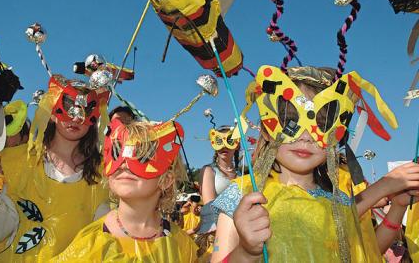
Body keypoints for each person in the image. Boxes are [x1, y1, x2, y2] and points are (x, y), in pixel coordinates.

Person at [210, 65, 418, 262]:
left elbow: (368, 250)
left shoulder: (338, 205)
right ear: (265, 128)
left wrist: (397, 204)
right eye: (289, 119)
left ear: (338, 135)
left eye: (322, 123)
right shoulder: (243, 195)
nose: (306, 136)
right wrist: (246, 253)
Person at [0, 75, 110, 262]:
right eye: (68, 105)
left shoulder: (102, 173)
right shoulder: (24, 159)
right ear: (53, 109)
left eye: (86, 110)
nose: (75, 117)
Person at [52, 119, 198, 262]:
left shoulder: (182, 245)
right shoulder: (89, 243)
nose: (124, 165)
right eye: (117, 153)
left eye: (142, 157)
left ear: (167, 180)